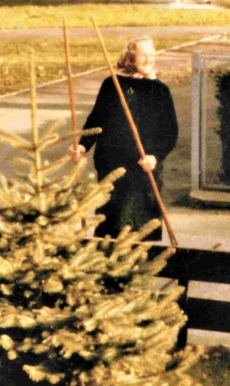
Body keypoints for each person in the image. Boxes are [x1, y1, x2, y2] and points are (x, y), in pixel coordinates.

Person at [68, 36, 178, 240]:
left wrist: (155, 157)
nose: (149, 59)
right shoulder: (112, 85)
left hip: (144, 169)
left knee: (142, 228)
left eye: (151, 55)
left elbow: (169, 132)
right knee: (111, 226)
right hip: (112, 169)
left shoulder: (160, 91)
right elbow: (96, 119)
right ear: (129, 58)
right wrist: (82, 146)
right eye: (143, 55)